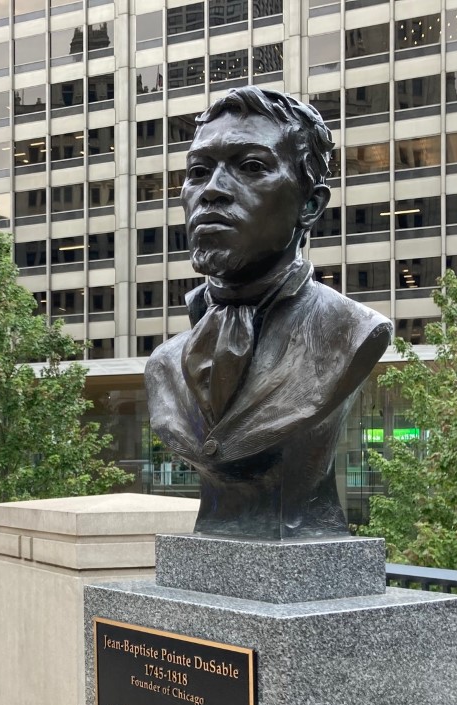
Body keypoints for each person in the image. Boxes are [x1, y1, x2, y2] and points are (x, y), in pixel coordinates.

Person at [145, 86, 393, 539]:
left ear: (310, 205)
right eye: (198, 171)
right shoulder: (164, 364)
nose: (212, 190)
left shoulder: (351, 333)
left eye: (252, 167)